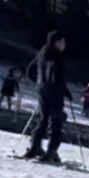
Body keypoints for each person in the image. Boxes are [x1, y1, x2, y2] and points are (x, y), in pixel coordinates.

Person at [22, 31, 69, 163]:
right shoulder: (58, 57)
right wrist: (64, 91)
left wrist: (39, 84)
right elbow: (57, 78)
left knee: (43, 120)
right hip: (55, 94)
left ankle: (35, 148)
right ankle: (51, 152)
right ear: (57, 42)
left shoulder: (43, 52)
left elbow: (30, 69)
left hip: (42, 91)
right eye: (63, 41)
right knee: (56, 123)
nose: (64, 44)